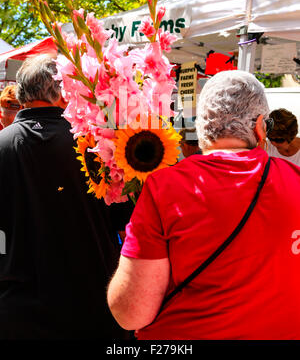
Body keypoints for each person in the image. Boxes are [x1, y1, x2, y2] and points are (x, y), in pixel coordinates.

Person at [107, 70, 300, 340]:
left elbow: (131, 313)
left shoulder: (166, 187)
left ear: (202, 128)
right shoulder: (295, 181)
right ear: (260, 127)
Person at [0, 54, 128, 339]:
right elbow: (124, 227)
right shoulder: (97, 147)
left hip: (17, 308)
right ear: (63, 92)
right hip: (91, 303)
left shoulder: (3, 146)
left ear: (22, 94)